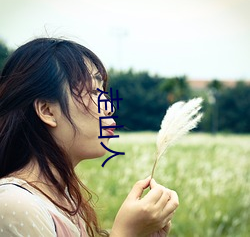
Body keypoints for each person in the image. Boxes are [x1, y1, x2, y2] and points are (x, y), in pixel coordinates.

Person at [0, 38, 179, 237]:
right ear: (47, 110)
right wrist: (126, 233)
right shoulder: (14, 204)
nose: (110, 107)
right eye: (94, 91)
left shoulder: (62, 199)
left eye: (103, 91)